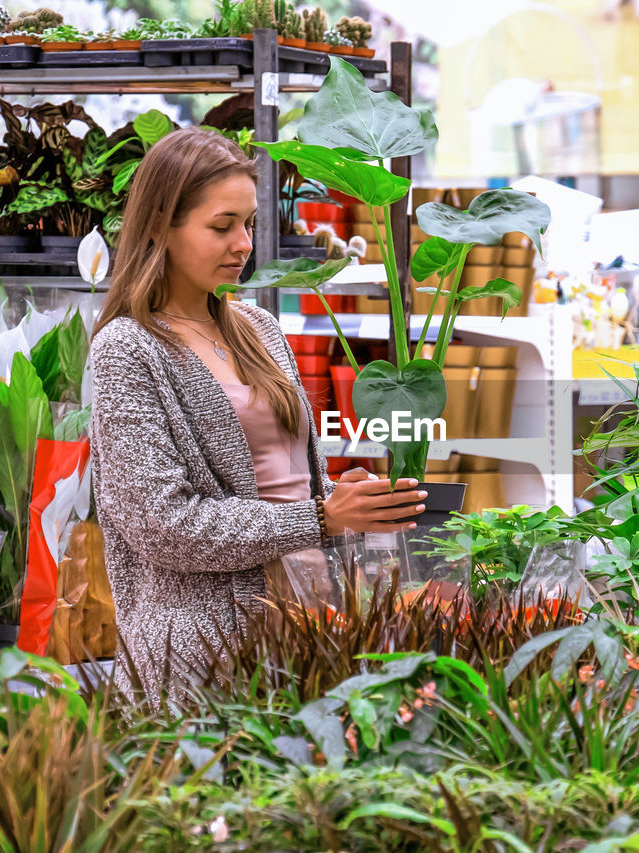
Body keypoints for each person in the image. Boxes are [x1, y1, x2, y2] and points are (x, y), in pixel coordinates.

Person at [88, 127, 425, 709]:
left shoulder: (259, 329)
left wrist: (342, 498)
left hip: (311, 624)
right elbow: (163, 525)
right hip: (202, 653)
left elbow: (291, 479)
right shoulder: (129, 349)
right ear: (158, 228)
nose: (243, 244)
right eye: (221, 227)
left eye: (247, 224)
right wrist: (318, 518)